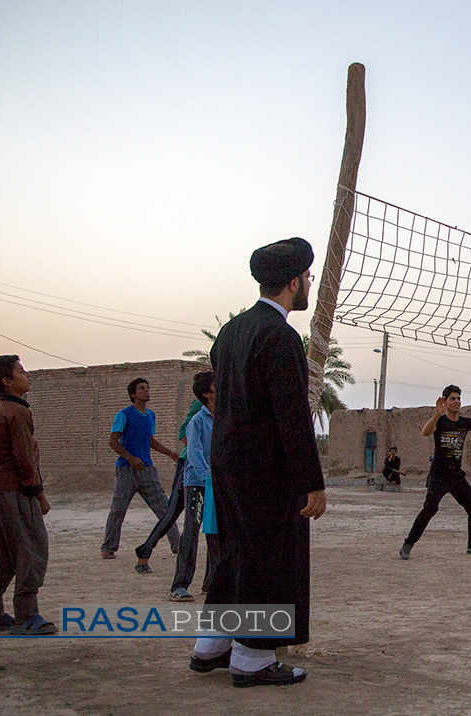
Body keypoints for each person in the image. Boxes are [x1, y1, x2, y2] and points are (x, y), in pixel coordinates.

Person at [189, 237, 326, 688]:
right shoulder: (280, 336)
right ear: (292, 282)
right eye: (307, 278)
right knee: (269, 558)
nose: (309, 283)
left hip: (227, 464)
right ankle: (252, 658)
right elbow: (291, 417)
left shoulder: (231, 331)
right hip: (265, 469)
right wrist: (312, 481)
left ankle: (211, 646)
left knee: (237, 553)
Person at [0, 355, 56, 636]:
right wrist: (39, 496)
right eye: (21, 371)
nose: (28, 374)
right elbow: (25, 460)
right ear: (7, 381)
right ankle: (26, 615)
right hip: (15, 490)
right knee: (31, 549)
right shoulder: (17, 412)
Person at [399, 385, 471, 560]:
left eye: (458, 398)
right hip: (438, 475)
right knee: (430, 508)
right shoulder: (441, 422)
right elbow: (425, 432)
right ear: (444, 401)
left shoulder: (465, 423)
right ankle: (408, 544)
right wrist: (437, 414)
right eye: (452, 398)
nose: (457, 401)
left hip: (456, 475)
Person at [101, 378, 180, 560]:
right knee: (118, 510)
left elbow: (150, 441)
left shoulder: (150, 415)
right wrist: (130, 458)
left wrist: (169, 453)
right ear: (133, 394)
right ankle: (108, 547)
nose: (147, 391)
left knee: (164, 508)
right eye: (142, 388)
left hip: (146, 469)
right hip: (126, 470)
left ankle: (177, 544)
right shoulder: (124, 415)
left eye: (147, 387)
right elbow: (113, 441)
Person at [134, 396, 202, 573]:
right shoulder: (200, 404)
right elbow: (184, 436)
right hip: (190, 466)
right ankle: (144, 553)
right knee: (172, 513)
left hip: (211, 468)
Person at [167, 371, 217, 602]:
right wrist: (208, 477)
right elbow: (195, 454)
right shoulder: (197, 421)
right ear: (207, 393)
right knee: (192, 530)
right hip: (198, 483)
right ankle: (180, 585)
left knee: (216, 534)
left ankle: (213, 582)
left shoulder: (226, 418)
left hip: (217, 483)